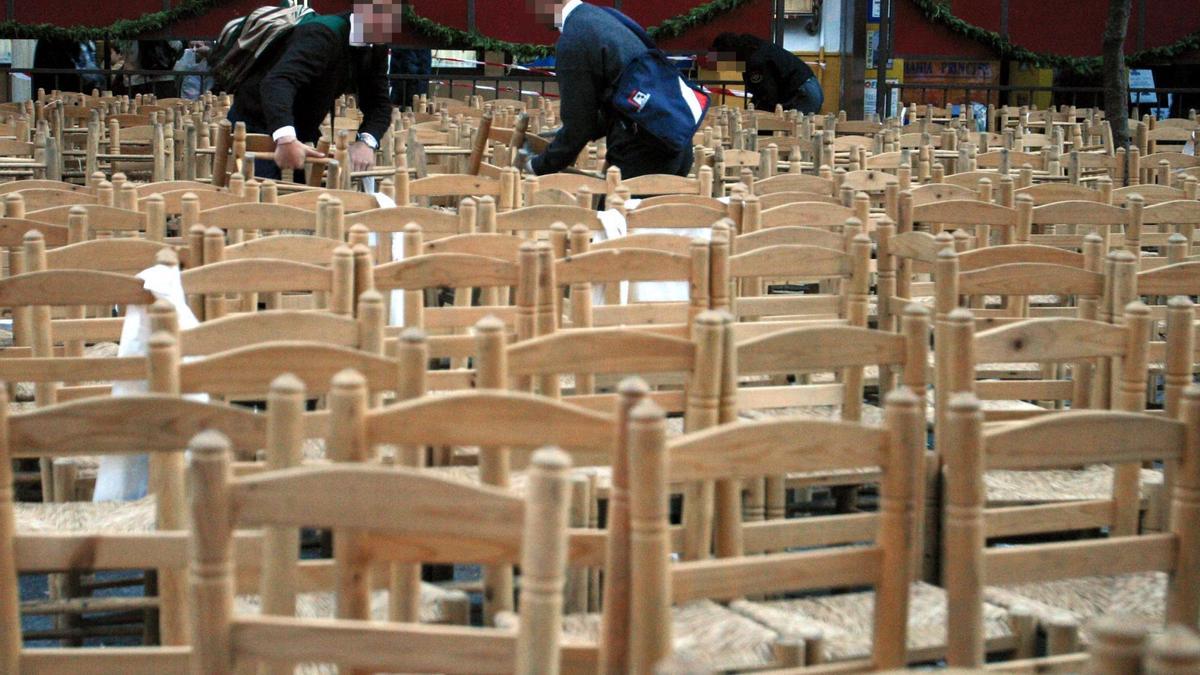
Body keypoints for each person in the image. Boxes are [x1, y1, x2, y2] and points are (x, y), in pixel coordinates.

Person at [523, 0, 694, 179]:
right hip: (676, 141)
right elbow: (618, 99)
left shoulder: (575, 38)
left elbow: (579, 126)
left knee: (611, 207)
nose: (533, 13)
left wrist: (538, 166)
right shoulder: (605, 17)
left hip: (643, 152)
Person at [224, 1, 393, 181]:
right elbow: (278, 82)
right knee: (263, 203)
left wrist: (366, 143)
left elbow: (379, 104)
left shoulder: (376, 45)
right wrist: (286, 138)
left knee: (314, 201)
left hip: (301, 134)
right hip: (256, 125)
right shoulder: (322, 34)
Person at [710, 32, 824, 114]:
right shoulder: (753, 48)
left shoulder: (755, 62)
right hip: (808, 87)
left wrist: (753, 115)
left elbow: (768, 96)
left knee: (792, 136)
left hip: (803, 94)